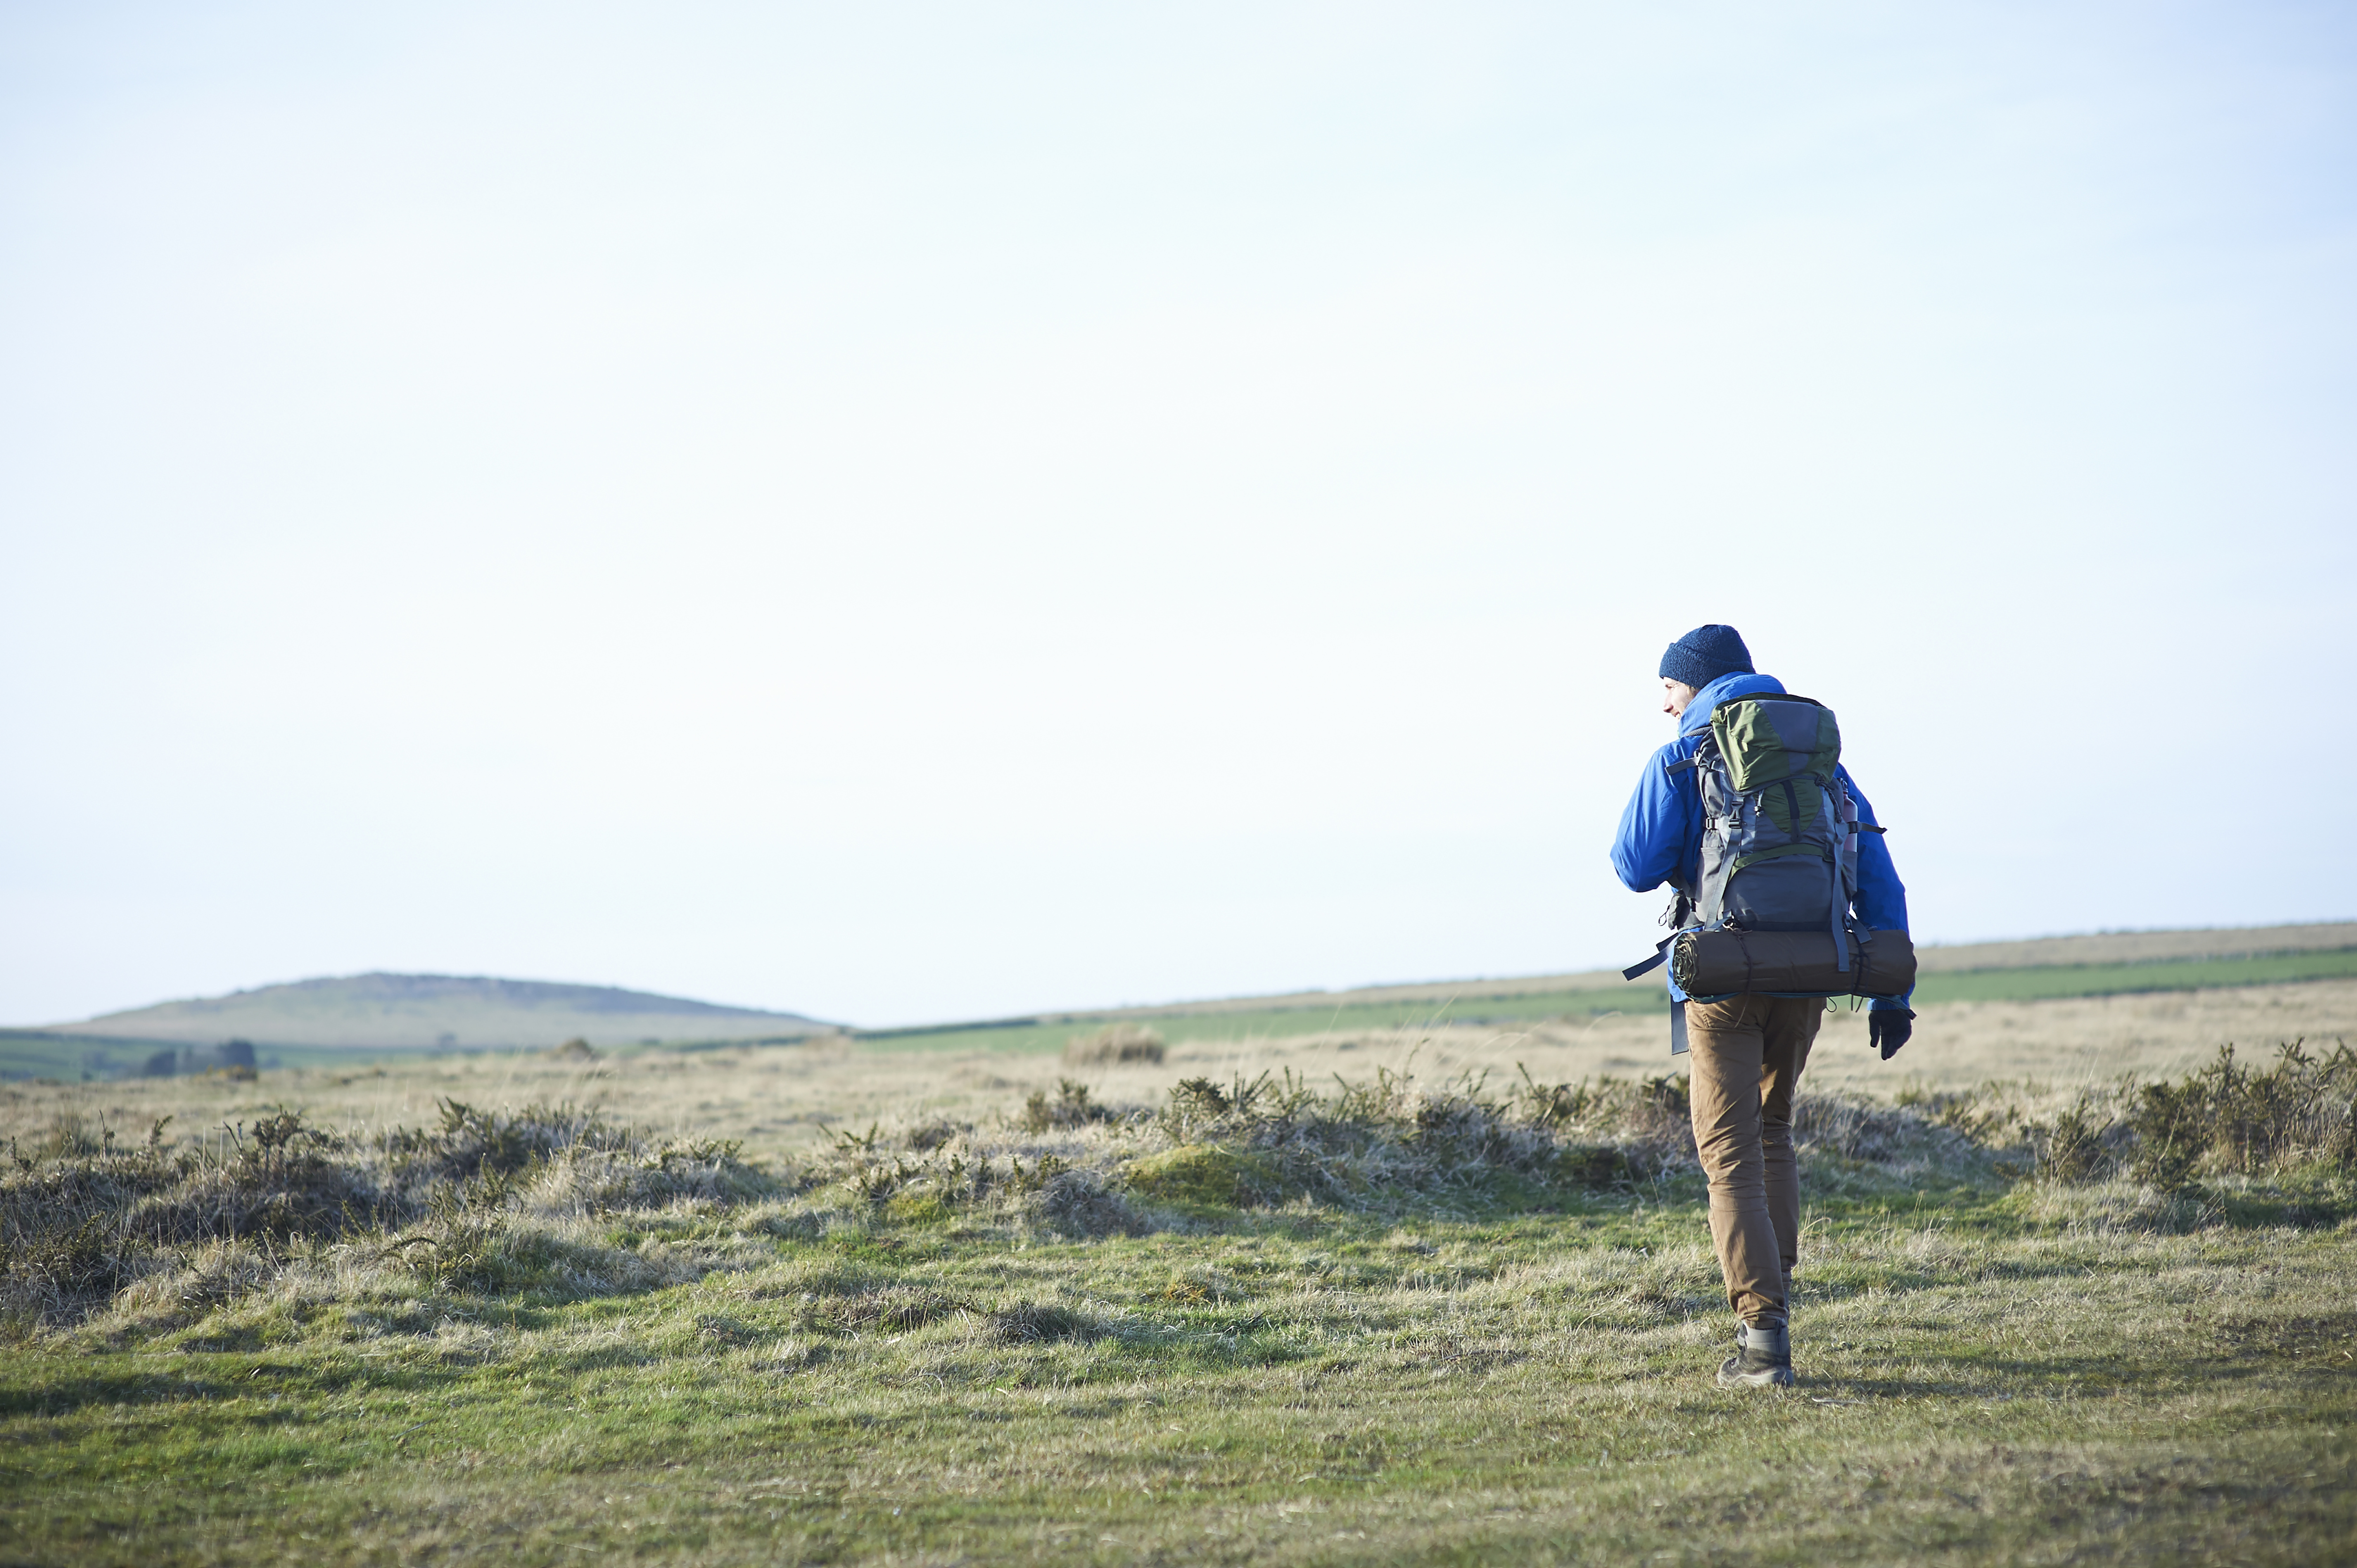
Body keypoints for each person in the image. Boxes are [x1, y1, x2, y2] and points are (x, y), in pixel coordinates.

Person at [1609, 623, 1912, 1389]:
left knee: (1729, 1151)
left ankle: (1761, 1339)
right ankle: (1773, 1306)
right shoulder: (1816, 757)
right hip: (1810, 975)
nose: (1665, 707)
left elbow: (1633, 867)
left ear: (1697, 684)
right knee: (1772, 1132)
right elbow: (1878, 873)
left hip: (1720, 978)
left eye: (1669, 690)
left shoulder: (1684, 753)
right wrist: (1893, 993)